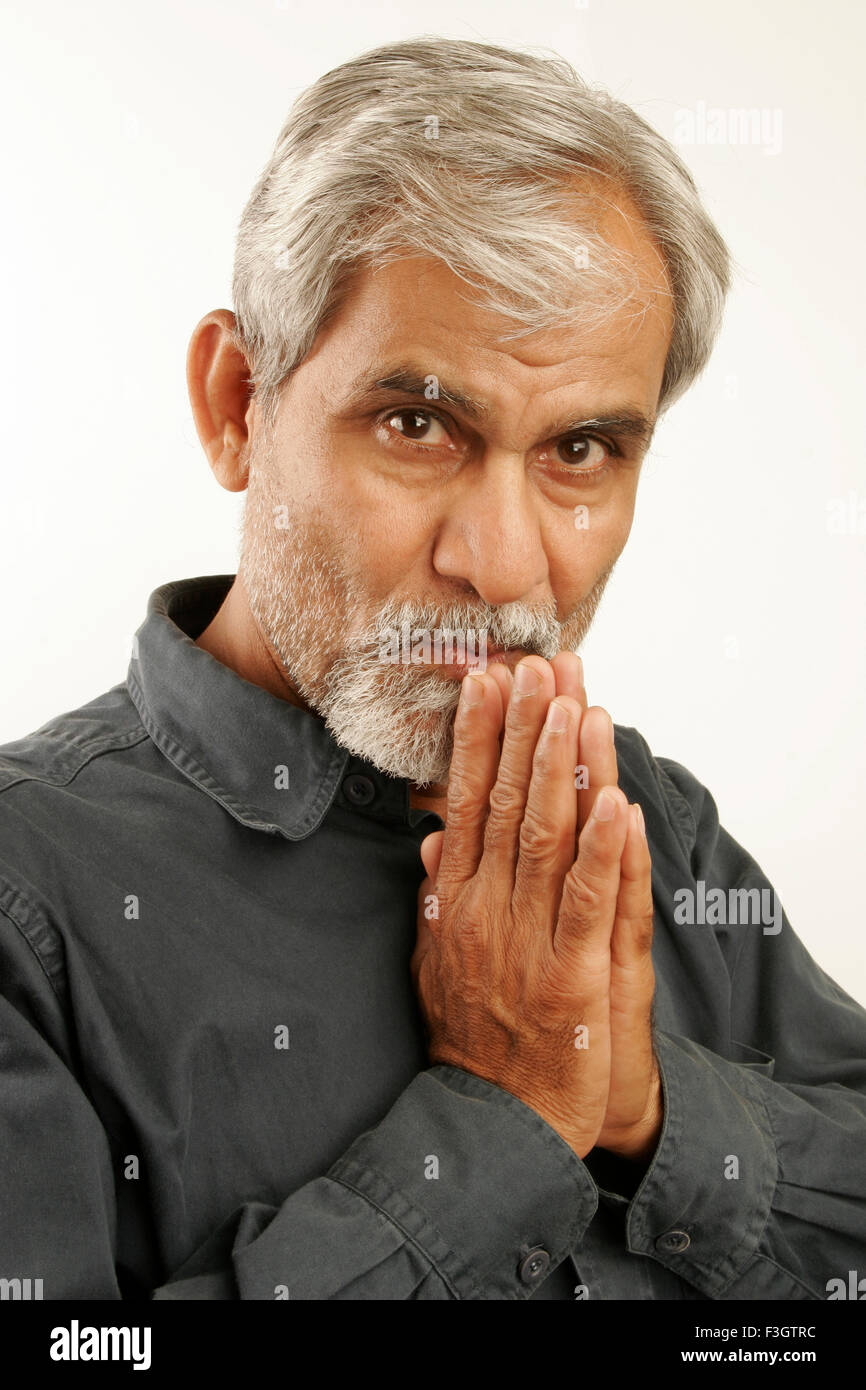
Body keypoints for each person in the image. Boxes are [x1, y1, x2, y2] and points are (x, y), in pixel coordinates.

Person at [1, 37, 863, 1302]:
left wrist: (649, 1106)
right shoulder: (28, 902)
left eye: (579, 449)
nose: (504, 565)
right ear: (238, 401)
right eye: (416, 425)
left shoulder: (648, 819)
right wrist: (500, 1120)